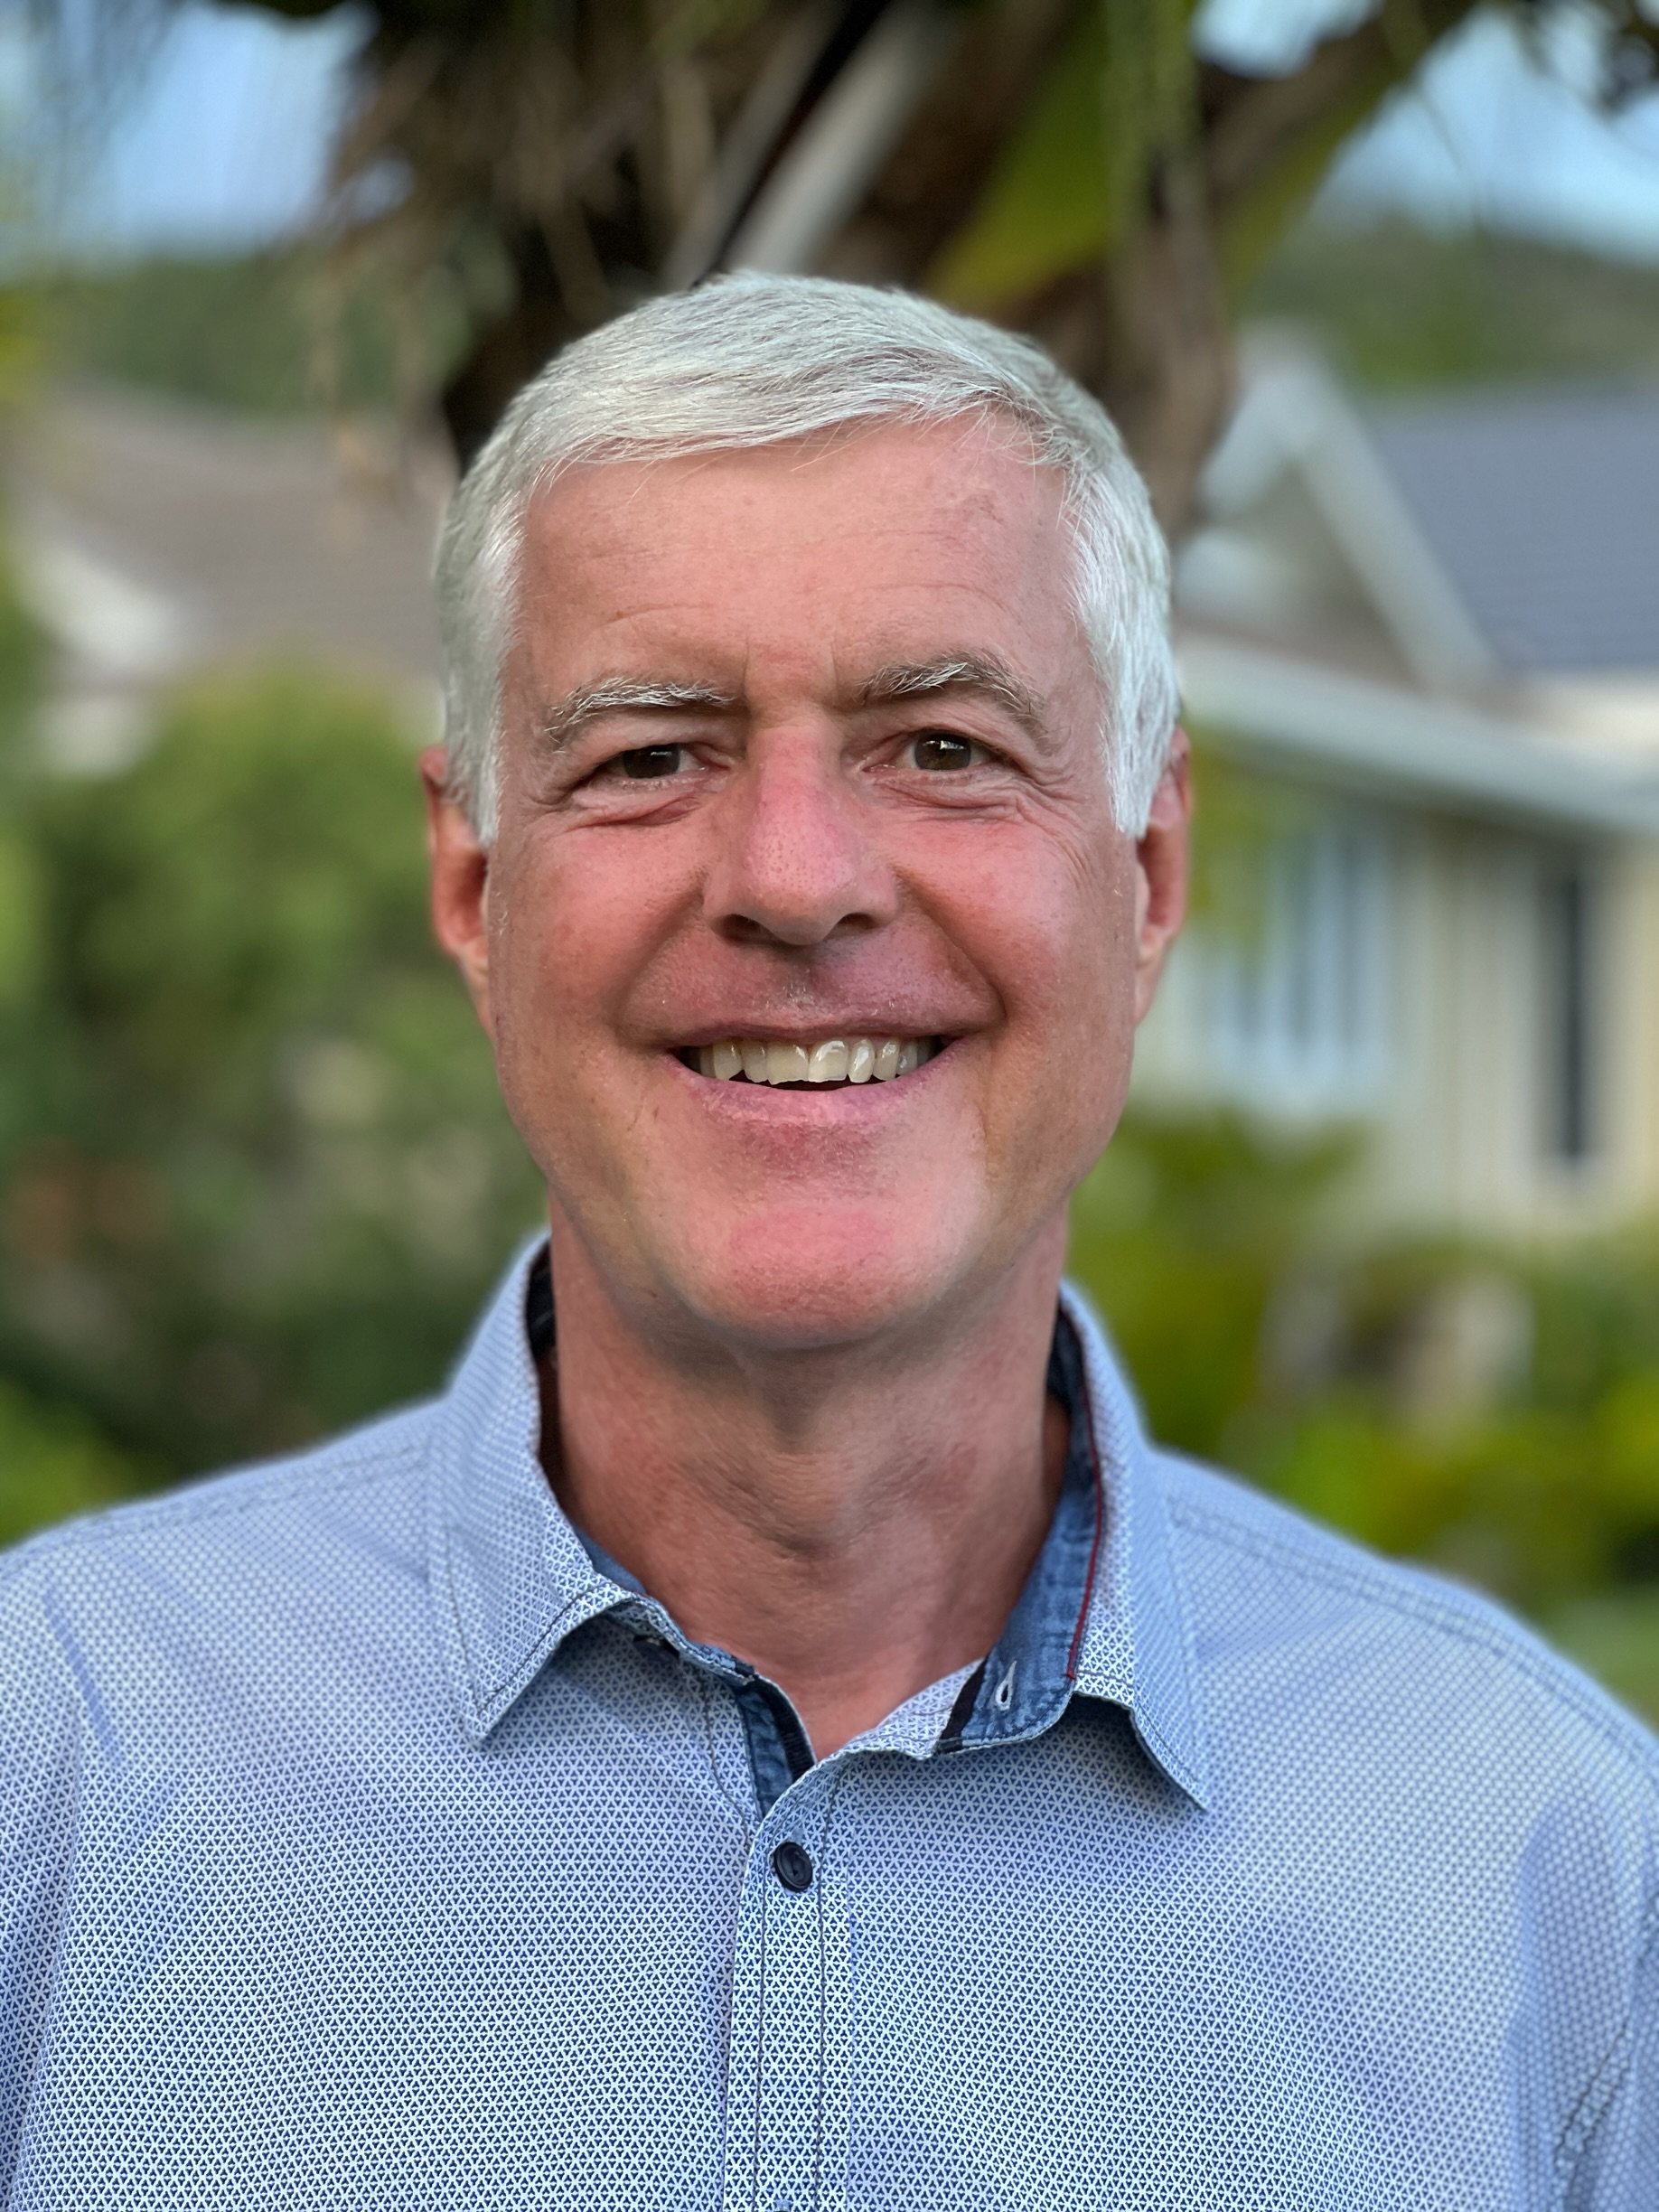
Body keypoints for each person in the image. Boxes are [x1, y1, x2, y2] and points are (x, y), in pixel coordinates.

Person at [1, 276, 1654, 2211]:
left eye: (942, 747)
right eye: (650, 755)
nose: (796, 881)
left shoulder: (1545, 1874)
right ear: (472, 884)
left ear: (1146, 875)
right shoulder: (55, 1768)